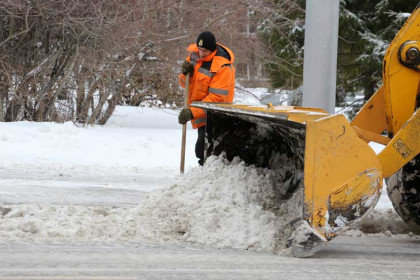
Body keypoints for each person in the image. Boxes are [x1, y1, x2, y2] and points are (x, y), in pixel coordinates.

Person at [178, 31, 235, 166]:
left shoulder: (222, 66)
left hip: (216, 115)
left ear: (213, 49)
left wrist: (192, 112)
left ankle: (212, 174)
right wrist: (188, 75)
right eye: (200, 49)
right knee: (202, 149)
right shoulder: (193, 57)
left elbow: (217, 98)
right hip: (202, 112)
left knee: (206, 150)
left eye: (205, 51)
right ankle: (204, 172)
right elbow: (183, 83)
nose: (201, 53)